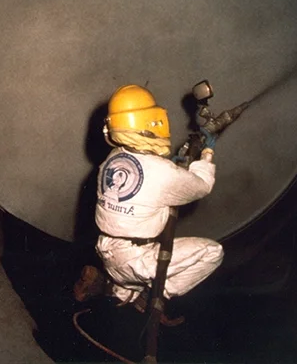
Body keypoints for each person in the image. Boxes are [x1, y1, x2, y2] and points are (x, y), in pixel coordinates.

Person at [92, 84, 224, 313]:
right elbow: (201, 186)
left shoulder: (112, 159)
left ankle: (118, 289)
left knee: (136, 255)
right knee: (213, 252)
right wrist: (207, 154)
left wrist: (177, 161)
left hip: (106, 250)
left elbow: (152, 176)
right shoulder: (162, 172)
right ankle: (153, 293)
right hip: (135, 260)